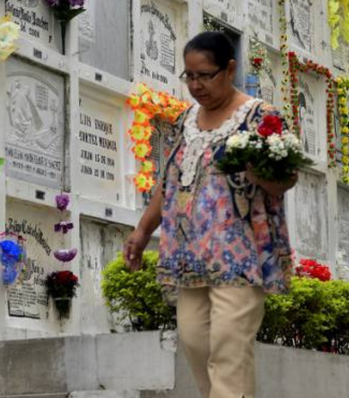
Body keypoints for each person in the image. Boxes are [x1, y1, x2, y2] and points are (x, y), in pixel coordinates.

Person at [124, 32, 297, 398]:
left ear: (230, 69)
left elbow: (285, 181)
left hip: (239, 257)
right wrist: (142, 231)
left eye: (205, 75)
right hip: (189, 257)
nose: (196, 85)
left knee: (228, 349)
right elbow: (169, 181)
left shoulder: (259, 116)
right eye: (189, 76)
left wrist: (255, 170)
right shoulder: (187, 119)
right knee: (194, 342)